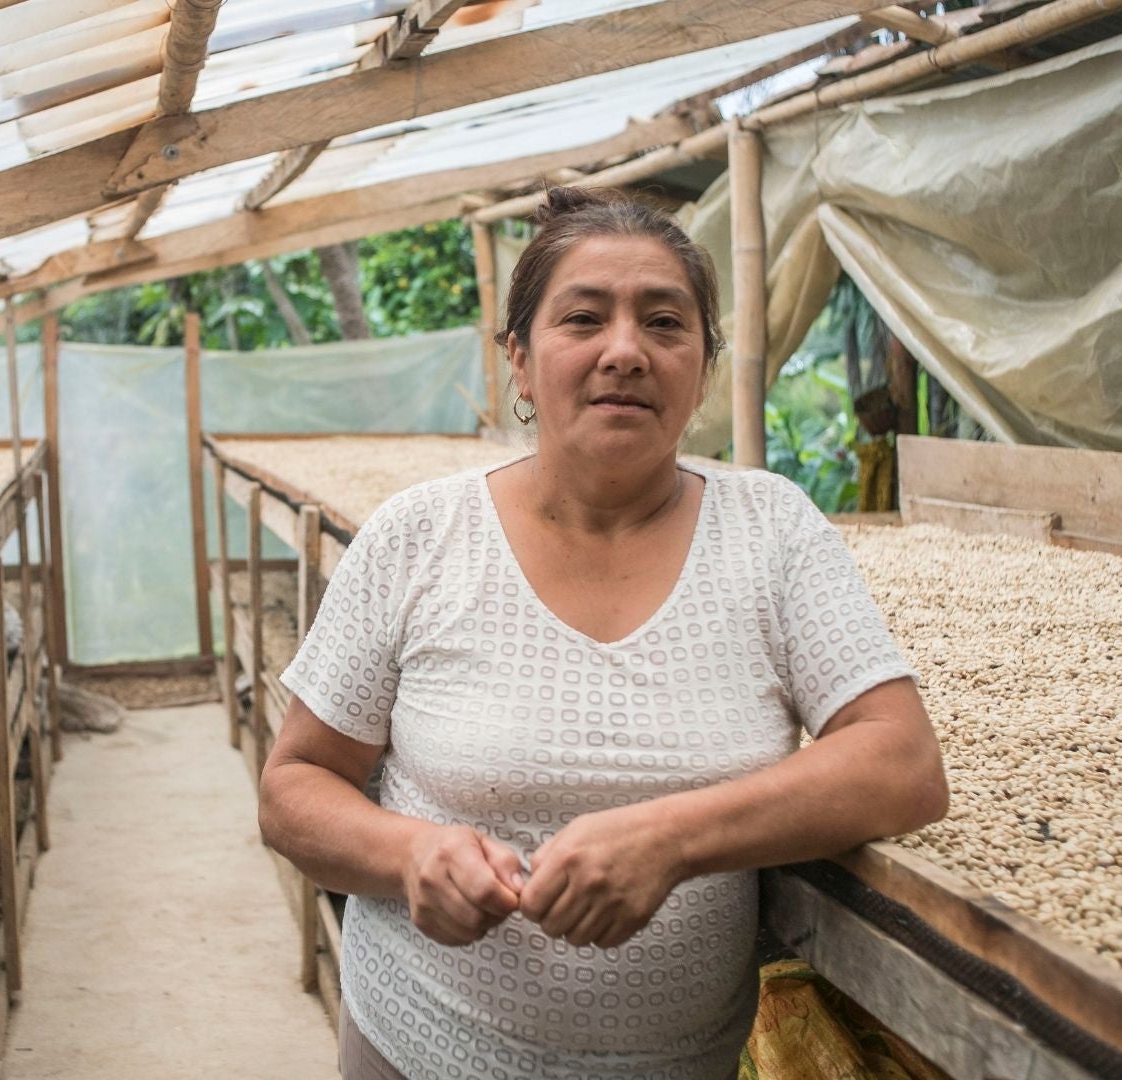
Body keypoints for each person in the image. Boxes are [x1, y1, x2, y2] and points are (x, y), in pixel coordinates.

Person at [258, 186, 948, 1080]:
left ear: (702, 366)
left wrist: (673, 837)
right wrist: (411, 854)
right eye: (583, 319)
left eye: (665, 324)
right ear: (518, 359)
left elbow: (901, 761)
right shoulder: (419, 537)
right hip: (421, 1049)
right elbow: (294, 787)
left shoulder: (772, 532)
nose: (625, 351)